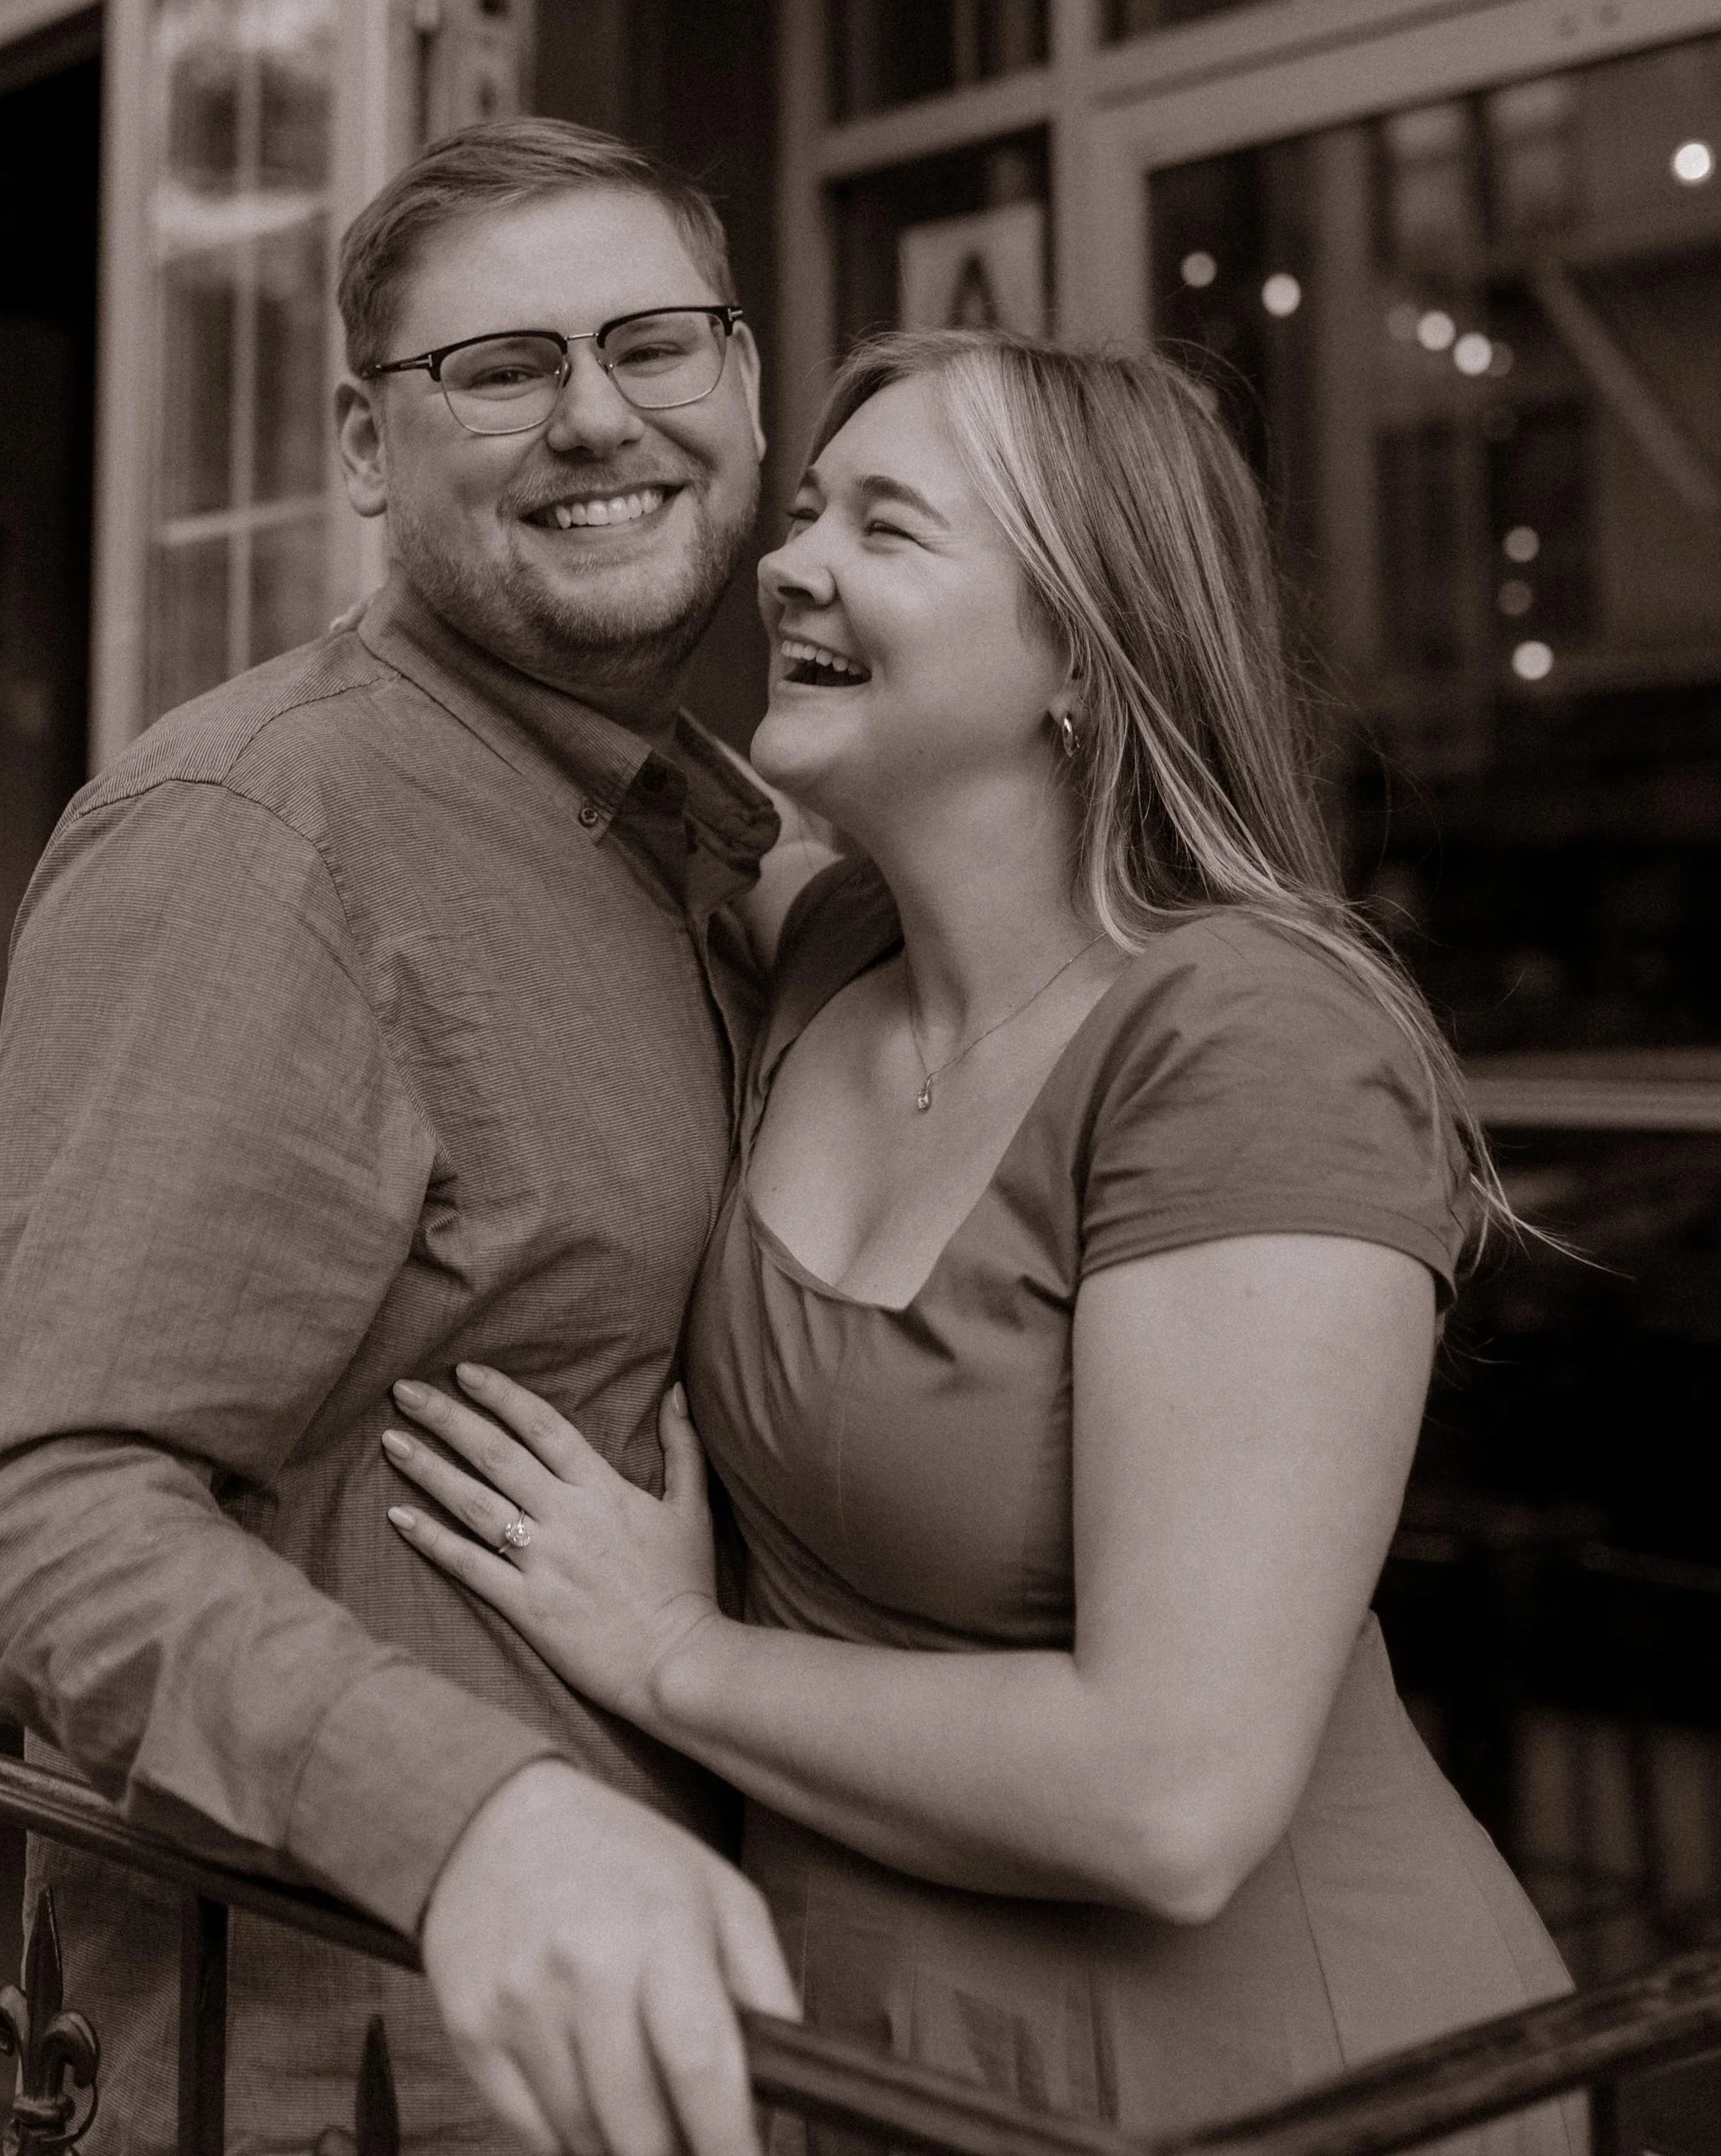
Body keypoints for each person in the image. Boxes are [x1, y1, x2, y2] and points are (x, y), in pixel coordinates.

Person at [378, 328, 1580, 2154]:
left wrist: (664, 1655)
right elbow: (576, 727)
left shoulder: (1248, 1041)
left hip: (1278, 2087)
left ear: (1081, 660)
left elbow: (1170, 1797)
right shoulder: (835, 950)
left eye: (888, 526)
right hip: (880, 2065)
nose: (787, 563)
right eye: (800, 511)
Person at [0, 117, 806, 2156]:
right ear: (365, 447)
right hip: (359, 2072)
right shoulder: (262, 834)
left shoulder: (701, 828)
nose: (597, 417)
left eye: (654, 345)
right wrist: (469, 1814)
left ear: (744, 389)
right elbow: (23, 1523)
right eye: (499, 369)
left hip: (688, 2042)